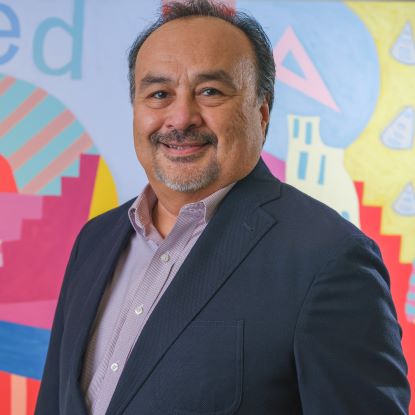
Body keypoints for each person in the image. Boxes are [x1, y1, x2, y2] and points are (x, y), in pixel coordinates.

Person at [35, 1, 410, 414]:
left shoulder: (329, 259)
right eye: (159, 94)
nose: (180, 118)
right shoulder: (96, 238)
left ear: (262, 113)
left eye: (210, 91)